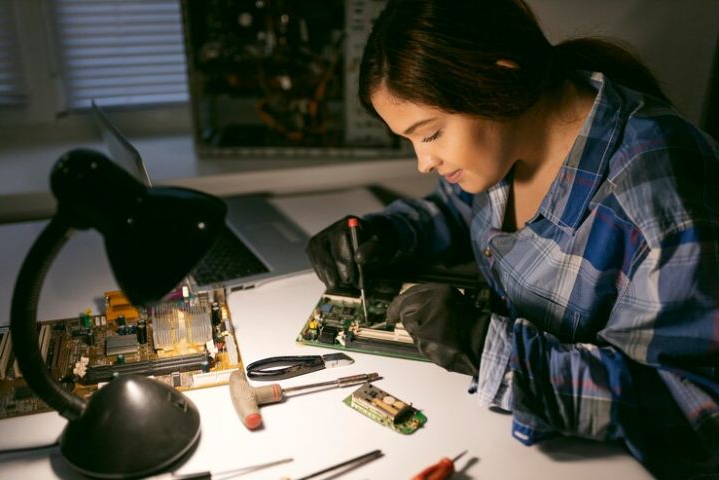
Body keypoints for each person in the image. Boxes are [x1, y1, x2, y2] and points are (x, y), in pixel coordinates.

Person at [305, 0, 719, 478]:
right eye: (411, 140)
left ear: (496, 79)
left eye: (432, 133)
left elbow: (695, 413)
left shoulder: (658, 201)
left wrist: (489, 348)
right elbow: (455, 209)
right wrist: (389, 233)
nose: (423, 162)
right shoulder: (507, 137)